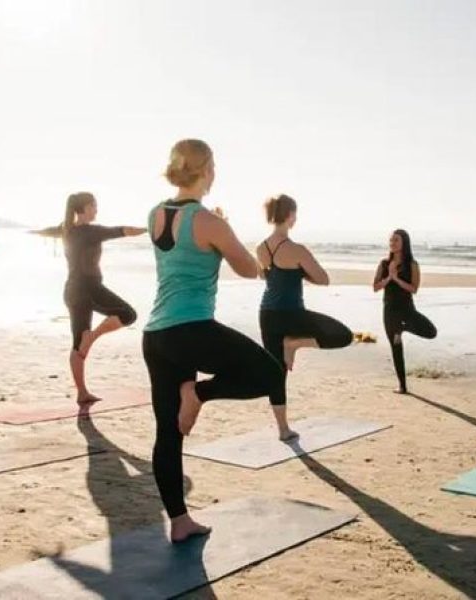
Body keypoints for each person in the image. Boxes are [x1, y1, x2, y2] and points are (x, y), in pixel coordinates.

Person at [142, 139, 285, 542]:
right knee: (269, 375)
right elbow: (250, 269)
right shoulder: (209, 221)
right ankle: (200, 394)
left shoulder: (155, 213)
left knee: (167, 432)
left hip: (156, 335)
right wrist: (225, 231)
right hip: (192, 329)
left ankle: (179, 521)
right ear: (206, 171)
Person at [256, 194, 353, 440]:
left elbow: (263, 276)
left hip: (266, 315)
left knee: (276, 373)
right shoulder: (297, 250)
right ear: (290, 215)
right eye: (295, 213)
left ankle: (283, 429)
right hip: (291, 314)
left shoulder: (261, 248)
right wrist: (301, 272)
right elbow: (323, 279)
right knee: (343, 335)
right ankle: (296, 343)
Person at [62, 192, 146, 404]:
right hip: (89, 288)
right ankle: (94, 336)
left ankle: (82, 392)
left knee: (77, 343)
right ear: (84, 208)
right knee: (128, 314)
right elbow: (122, 231)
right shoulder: (90, 231)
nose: (96, 210)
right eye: (94, 206)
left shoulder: (68, 230)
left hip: (72, 290)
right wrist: (150, 228)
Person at [373, 229, 437, 394]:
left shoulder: (412, 264)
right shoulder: (384, 264)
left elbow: (413, 289)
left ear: (404, 243)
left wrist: (397, 279)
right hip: (389, 311)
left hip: (407, 310)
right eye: (391, 240)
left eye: (396, 240)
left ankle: (403, 328)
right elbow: (375, 287)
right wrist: (388, 277)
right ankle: (402, 386)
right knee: (396, 348)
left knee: (431, 331)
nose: (392, 243)